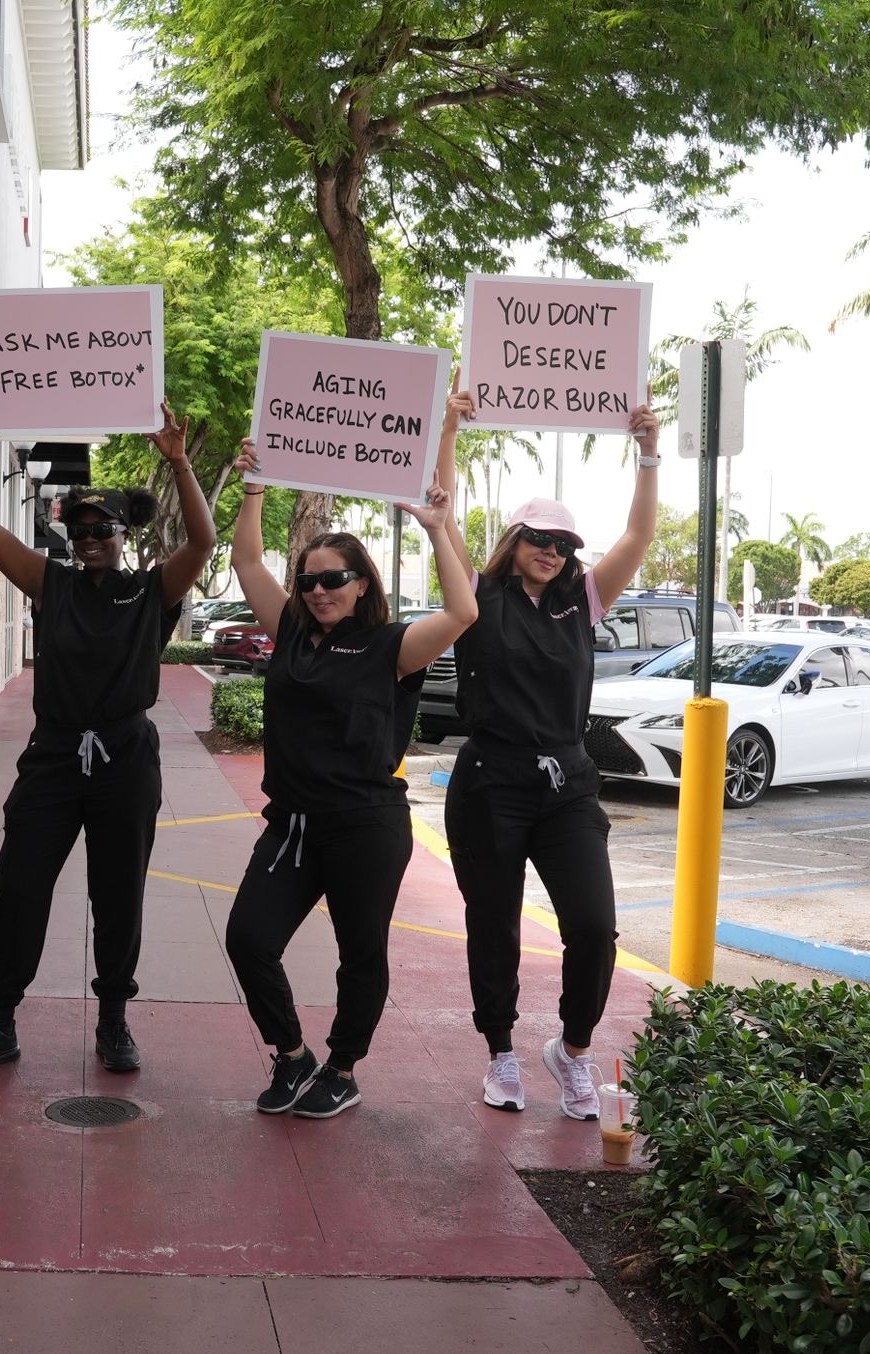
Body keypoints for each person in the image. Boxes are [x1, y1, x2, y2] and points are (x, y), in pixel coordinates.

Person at [0, 403, 215, 1075]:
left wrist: (179, 460)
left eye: (104, 529)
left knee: (118, 894)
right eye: (80, 528)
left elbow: (203, 543)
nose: (90, 539)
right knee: (20, 886)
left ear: (125, 534)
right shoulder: (50, 584)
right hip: (55, 756)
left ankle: (114, 1021)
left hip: (126, 757)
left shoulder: (152, 592)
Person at [221, 443, 477, 1118]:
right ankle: (292, 1055)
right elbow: (247, 560)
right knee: (248, 938)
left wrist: (435, 529)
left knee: (359, 954)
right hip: (295, 824)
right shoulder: (291, 634)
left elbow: (462, 614)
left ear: (362, 582)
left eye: (333, 578)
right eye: (308, 580)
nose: (318, 591)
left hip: (366, 825)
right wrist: (254, 488)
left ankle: (341, 1066)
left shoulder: (390, 646)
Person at [433, 367, 661, 1120]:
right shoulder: (478, 596)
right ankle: (500, 1051)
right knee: (492, 926)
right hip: (490, 784)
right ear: (515, 540)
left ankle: (572, 1048)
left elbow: (637, 536)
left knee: (593, 926)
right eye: (540, 539)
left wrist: (649, 454)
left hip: (567, 785)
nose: (554, 552)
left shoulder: (579, 603)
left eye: (564, 544)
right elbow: (439, 513)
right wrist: (449, 429)